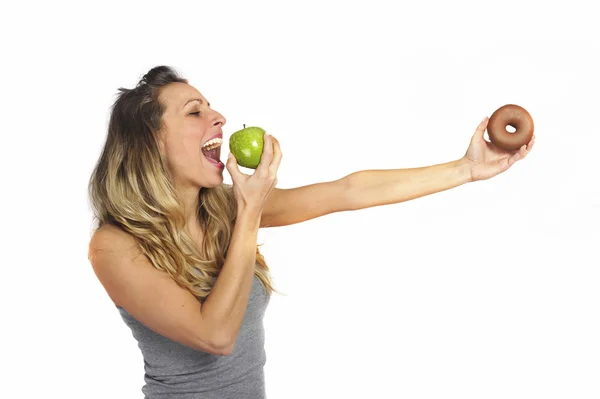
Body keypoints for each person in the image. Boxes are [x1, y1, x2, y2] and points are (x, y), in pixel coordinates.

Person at [87, 65, 535, 398]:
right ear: (152, 140)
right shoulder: (114, 246)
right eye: (195, 112)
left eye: (211, 106)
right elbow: (215, 336)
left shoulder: (222, 210)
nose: (219, 117)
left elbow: (348, 191)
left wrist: (466, 169)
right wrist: (250, 211)